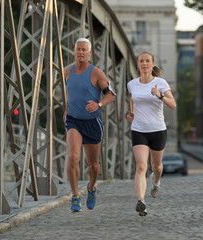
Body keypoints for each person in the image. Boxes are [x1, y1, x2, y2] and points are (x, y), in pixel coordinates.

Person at [63, 38, 116, 212]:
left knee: (93, 165)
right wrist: (66, 110)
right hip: (74, 121)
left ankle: (92, 187)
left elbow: (112, 95)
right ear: (74, 51)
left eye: (84, 50)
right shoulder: (67, 72)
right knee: (72, 156)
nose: (80, 52)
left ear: (89, 53)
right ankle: (75, 196)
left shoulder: (96, 73)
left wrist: (99, 104)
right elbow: (69, 94)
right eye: (78, 49)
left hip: (92, 122)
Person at [126, 51, 176, 216]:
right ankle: (141, 202)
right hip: (139, 130)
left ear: (153, 64)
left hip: (158, 130)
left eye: (148, 61)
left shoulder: (160, 83)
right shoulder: (132, 84)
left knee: (157, 166)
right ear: (138, 64)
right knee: (141, 166)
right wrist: (131, 113)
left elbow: (173, 105)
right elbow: (133, 99)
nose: (145, 63)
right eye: (142, 61)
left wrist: (159, 95)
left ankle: (156, 182)